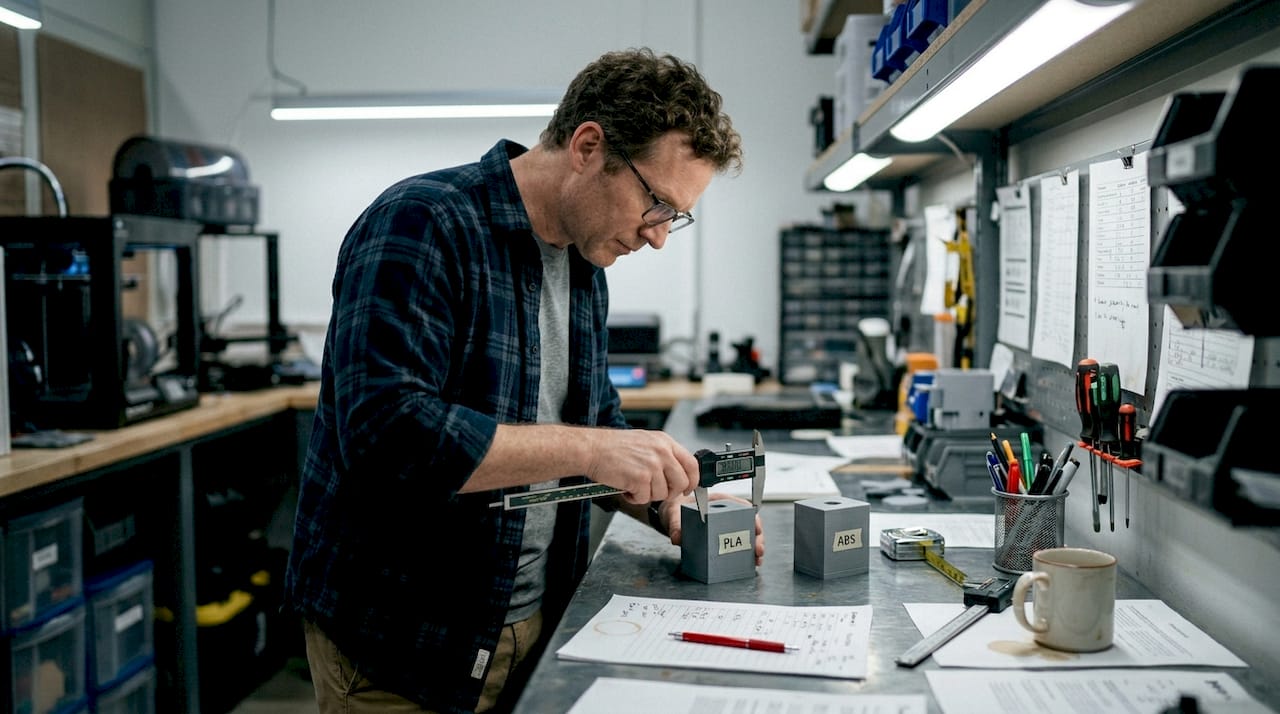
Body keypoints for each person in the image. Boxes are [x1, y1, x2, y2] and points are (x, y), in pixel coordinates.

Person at [284, 47, 759, 714]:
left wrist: (660, 503)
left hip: (533, 625)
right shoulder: (424, 222)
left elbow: (595, 424)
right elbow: (387, 433)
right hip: (404, 644)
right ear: (589, 146)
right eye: (656, 204)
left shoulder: (586, 264)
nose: (658, 237)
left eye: (674, 217)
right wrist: (594, 450)